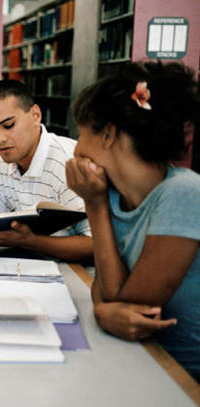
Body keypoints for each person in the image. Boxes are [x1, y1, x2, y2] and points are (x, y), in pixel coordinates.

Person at [66, 61, 199, 381]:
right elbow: (106, 294)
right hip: (140, 362)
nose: (76, 149)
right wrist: (104, 310)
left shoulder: (184, 192)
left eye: (80, 134)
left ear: (108, 133)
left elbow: (126, 307)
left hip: (181, 377)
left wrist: (94, 206)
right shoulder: (112, 193)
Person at [0, 79, 92, 263]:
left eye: (8, 125)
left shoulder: (68, 163)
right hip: (29, 267)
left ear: (35, 115)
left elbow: (96, 246)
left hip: (77, 275)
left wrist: (31, 242)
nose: (0, 139)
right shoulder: (1, 162)